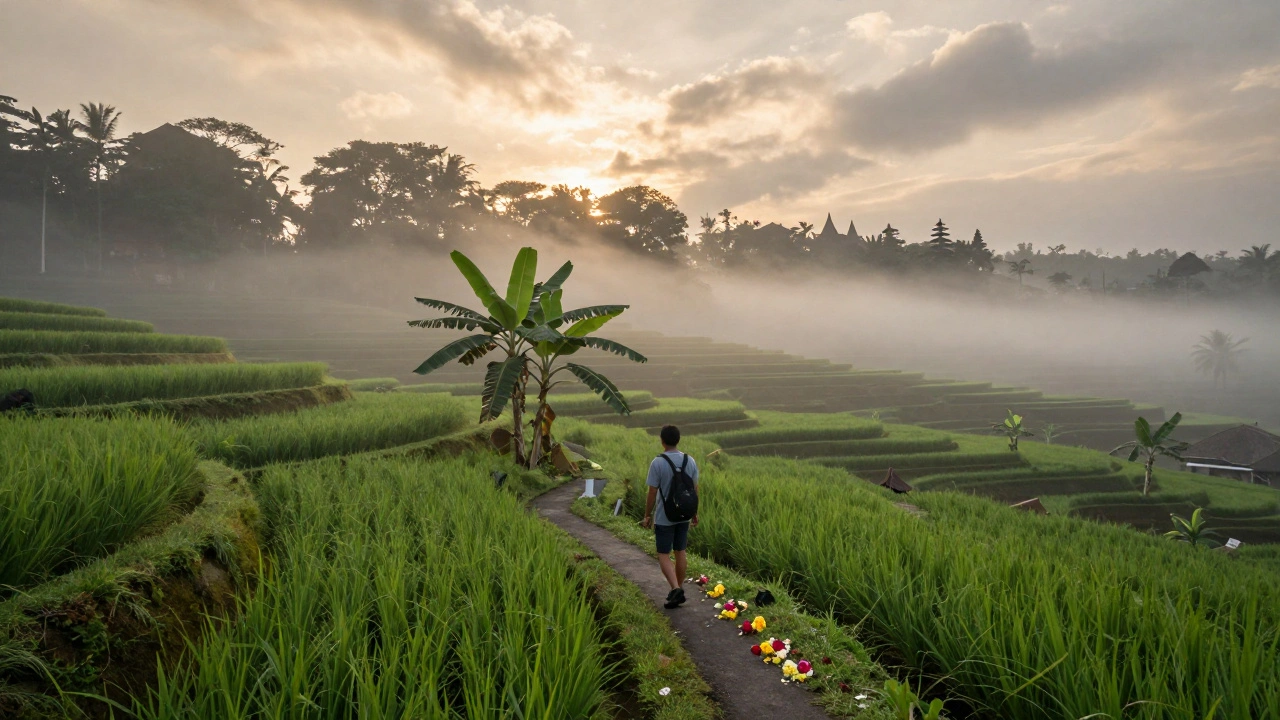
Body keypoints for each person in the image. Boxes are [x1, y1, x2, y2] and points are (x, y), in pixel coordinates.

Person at [642, 424, 699, 609]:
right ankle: (678, 589)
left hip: (665, 516)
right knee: (680, 551)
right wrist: (694, 512)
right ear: (678, 440)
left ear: (662, 441)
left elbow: (652, 492)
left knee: (663, 553)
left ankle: (675, 589)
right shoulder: (690, 461)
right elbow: (694, 489)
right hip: (684, 515)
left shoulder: (658, 462)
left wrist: (647, 515)